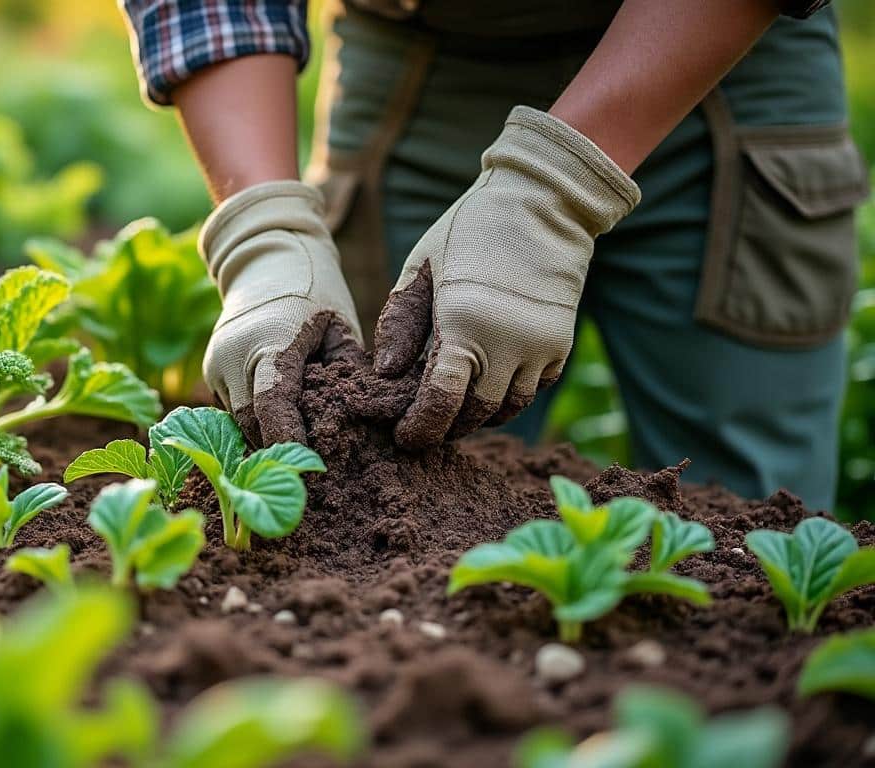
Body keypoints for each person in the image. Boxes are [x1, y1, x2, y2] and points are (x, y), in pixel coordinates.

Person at [119, 0, 870, 510]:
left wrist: (556, 189)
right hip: (421, 61)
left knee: (751, 516)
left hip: (723, 54)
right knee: (386, 478)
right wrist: (266, 228)